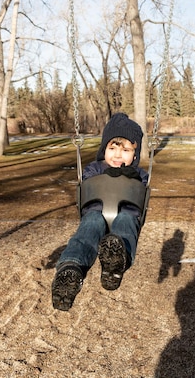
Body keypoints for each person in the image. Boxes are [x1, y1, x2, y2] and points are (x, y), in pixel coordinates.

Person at [52, 112, 149, 311]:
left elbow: (142, 190)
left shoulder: (140, 174)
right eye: (112, 148)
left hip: (127, 212)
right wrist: (108, 174)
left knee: (125, 225)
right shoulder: (94, 168)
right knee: (88, 228)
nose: (118, 154)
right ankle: (71, 268)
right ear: (104, 148)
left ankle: (115, 263)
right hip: (95, 211)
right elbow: (87, 180)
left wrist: (132, 177)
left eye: (126, 150)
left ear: (135, 154)